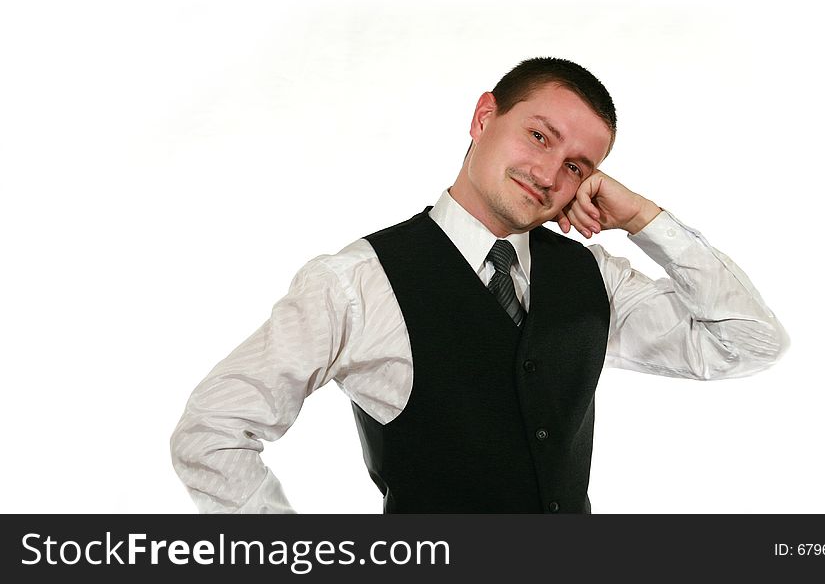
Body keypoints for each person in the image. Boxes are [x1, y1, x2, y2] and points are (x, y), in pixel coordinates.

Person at [170, 57, 789, 514]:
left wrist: (643, 220)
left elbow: (748, 343)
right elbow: (213, 432)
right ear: (484, 116)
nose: (549, 173)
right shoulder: (355, 284)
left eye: (577, 165)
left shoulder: (593, 277)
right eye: (539, 135)